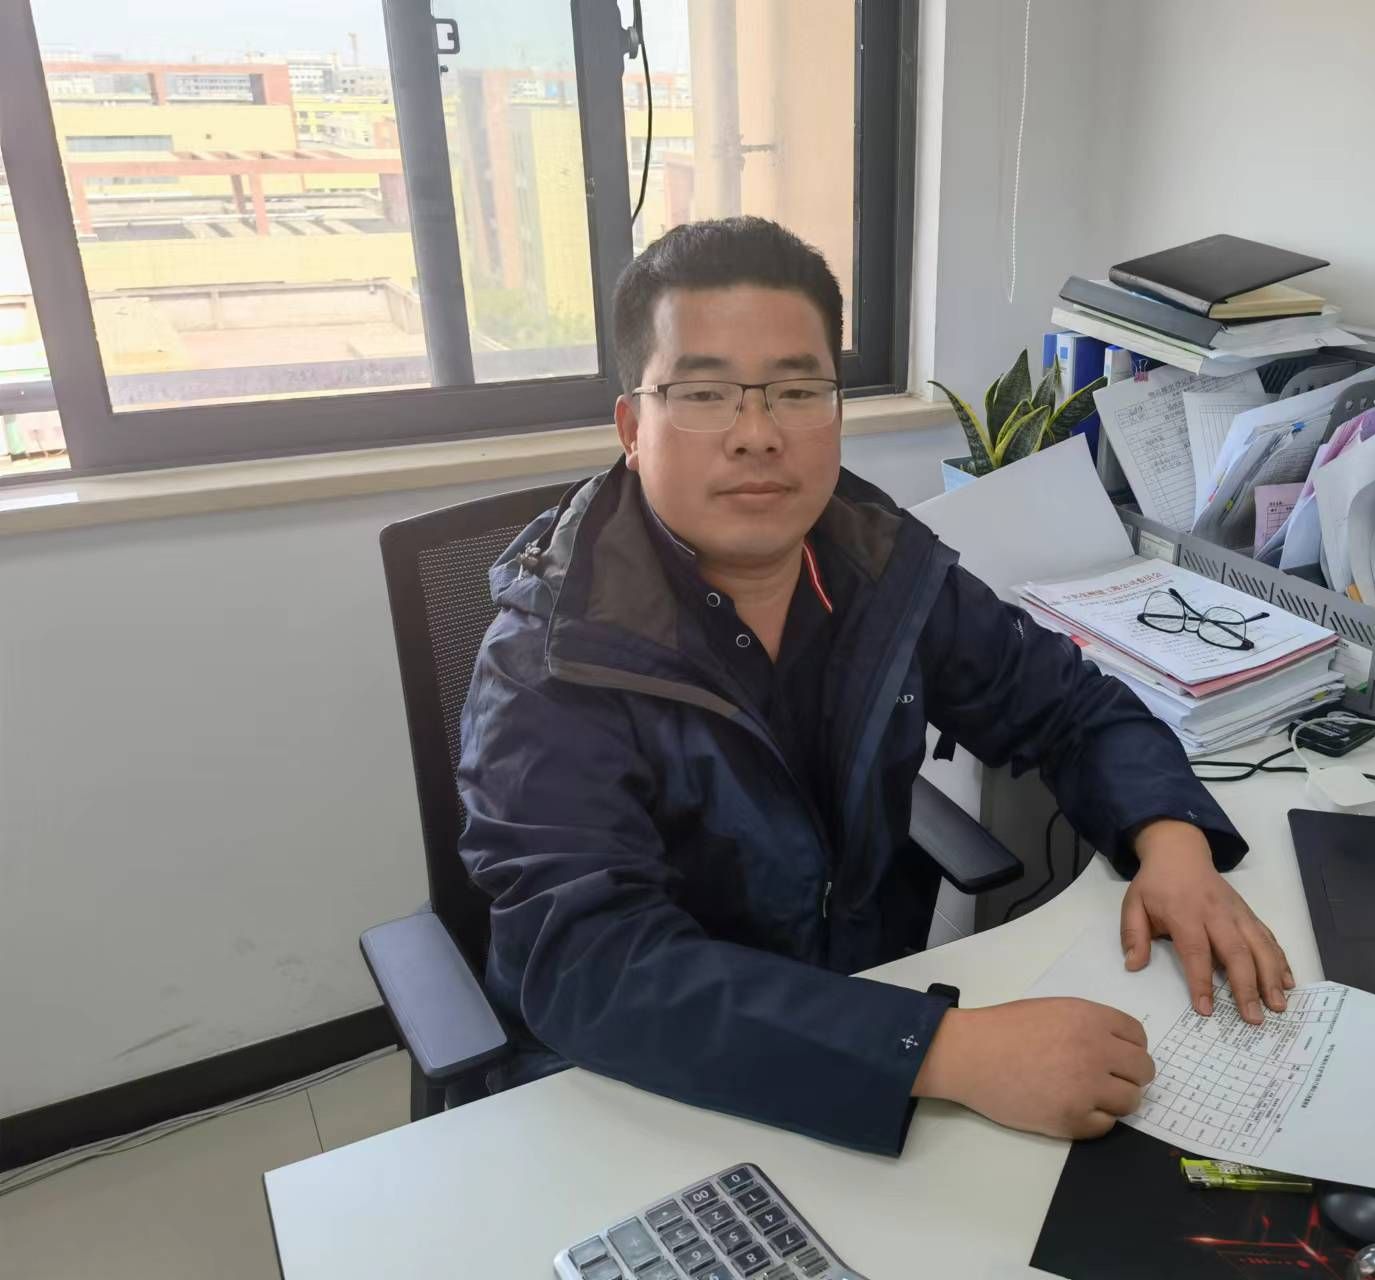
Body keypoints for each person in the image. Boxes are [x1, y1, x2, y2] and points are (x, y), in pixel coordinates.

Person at [458, 216, 1294, 1154]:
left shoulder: (884, 571)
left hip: (861, 1033)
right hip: (635, 1095)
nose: (756, 435)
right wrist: (939, 1049)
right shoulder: (550, 657)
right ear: (631, 429)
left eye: (797, 391)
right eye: (702, 394)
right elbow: (593, 968)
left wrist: (1171, 843)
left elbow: (1071, 705)